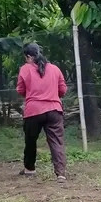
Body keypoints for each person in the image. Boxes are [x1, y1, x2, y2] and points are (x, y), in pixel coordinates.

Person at [16, 42, 68, 181]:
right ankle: (61, 173)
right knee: (56, 141)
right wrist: (52, 95)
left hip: (33, 111)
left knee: (30, 140)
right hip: (54, 110)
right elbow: (63, 90)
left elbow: (20, 90)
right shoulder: (55, 69)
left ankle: (29, 169)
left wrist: (32, 94)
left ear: (28, 56)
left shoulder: (25, 69)